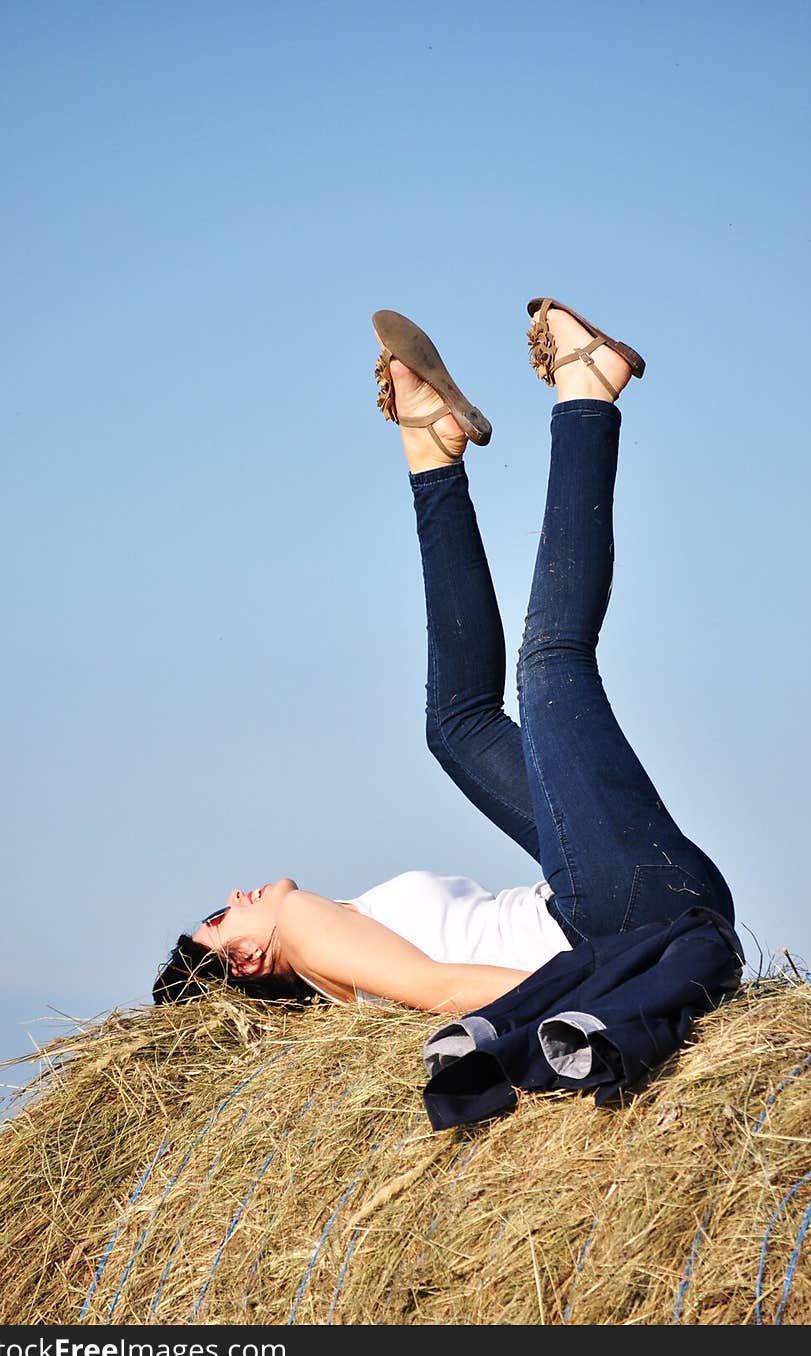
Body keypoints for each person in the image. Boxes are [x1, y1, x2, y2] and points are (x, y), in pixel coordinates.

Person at [153, 297, 736, 1021]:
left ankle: (431, 448)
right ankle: (588, 388)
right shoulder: (304, 930)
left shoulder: (339, 948)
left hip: (634, 899)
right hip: (616, 921)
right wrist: (600, 988)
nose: (233, 897)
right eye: (219, 918)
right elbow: (443, 991)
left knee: (457, 727)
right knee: (550, 662)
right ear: (245, 962)